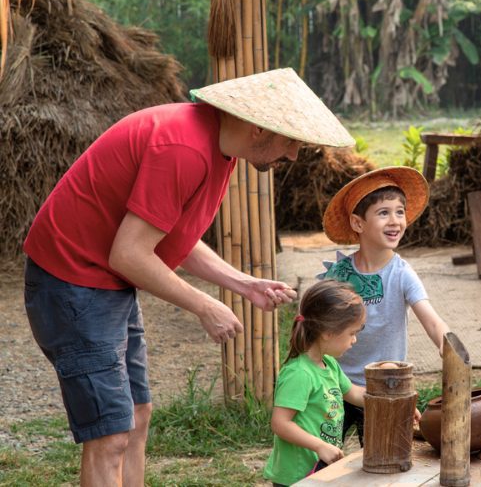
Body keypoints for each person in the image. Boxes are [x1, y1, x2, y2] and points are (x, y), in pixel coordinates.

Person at [22, 68, 355, 486]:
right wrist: (203, 304)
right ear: (258, 127)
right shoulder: (184, 148)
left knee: (137, 416)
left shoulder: (220, 149)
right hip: (72, 281)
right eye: (290, 141)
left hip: (103, 280)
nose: (292, 155)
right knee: (110, 435)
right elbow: (129, 253)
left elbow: (169, 234)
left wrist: (240, 282)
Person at [319, 166, 451, 445]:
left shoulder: (402, 273)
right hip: (334, 386)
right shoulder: (338, 275)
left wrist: (447, 342)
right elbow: (317, 326)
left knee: (384, 460)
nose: (395, 221)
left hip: (384, 388)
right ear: (358, 223)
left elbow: (431, 319)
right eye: (383, 213)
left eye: (399, 211)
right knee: (321, 459)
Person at [262, 280, 367, 486]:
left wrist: (395, 401)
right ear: (328, 333)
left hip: (319, 470)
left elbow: (353, 393)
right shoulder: (299, 373)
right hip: (296, 475)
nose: (354, 340)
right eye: (351, 333)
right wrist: (319, 446)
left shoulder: (328, 364)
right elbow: (280, 423)